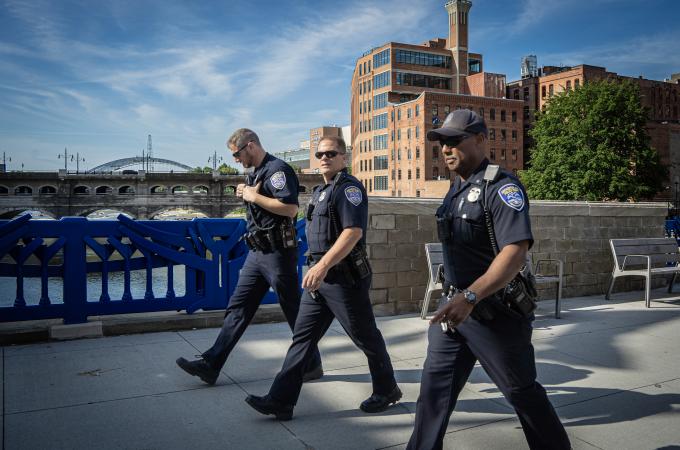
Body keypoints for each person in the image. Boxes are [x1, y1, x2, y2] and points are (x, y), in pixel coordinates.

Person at [407, 110, 571, 450]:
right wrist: (458, 299)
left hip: (493, 312)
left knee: (521, 393)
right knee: (434, 394)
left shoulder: (502, 187)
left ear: (481, 140)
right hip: (454, 311)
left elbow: (514, 253)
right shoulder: (456, 190)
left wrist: (470, 297)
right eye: (442, 143)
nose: (446, 149)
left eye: (455, 141)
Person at [245, 136, 401, 420]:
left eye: (331, 153)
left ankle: (387, 389)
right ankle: (281, 400)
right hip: (319, 279)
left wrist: (323, 266)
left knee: (365, 337)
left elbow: (352, 233)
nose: (324, 158)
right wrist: (316, 268)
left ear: (344, 157)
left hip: (343, 278)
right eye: (320, 154)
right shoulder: (320, 191)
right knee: (302, 340)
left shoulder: (349, 189)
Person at [176, 128, 323, 385]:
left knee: (293, 309)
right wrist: (249, 194)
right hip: (257, 253)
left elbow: (290, 209)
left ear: (251, 145)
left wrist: (254, 196)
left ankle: (311, 364)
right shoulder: (256, 173)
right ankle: (212, 364)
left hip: (278, 253)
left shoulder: (278, 170)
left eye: (236, 153)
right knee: (238, 308)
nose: (235, 160)